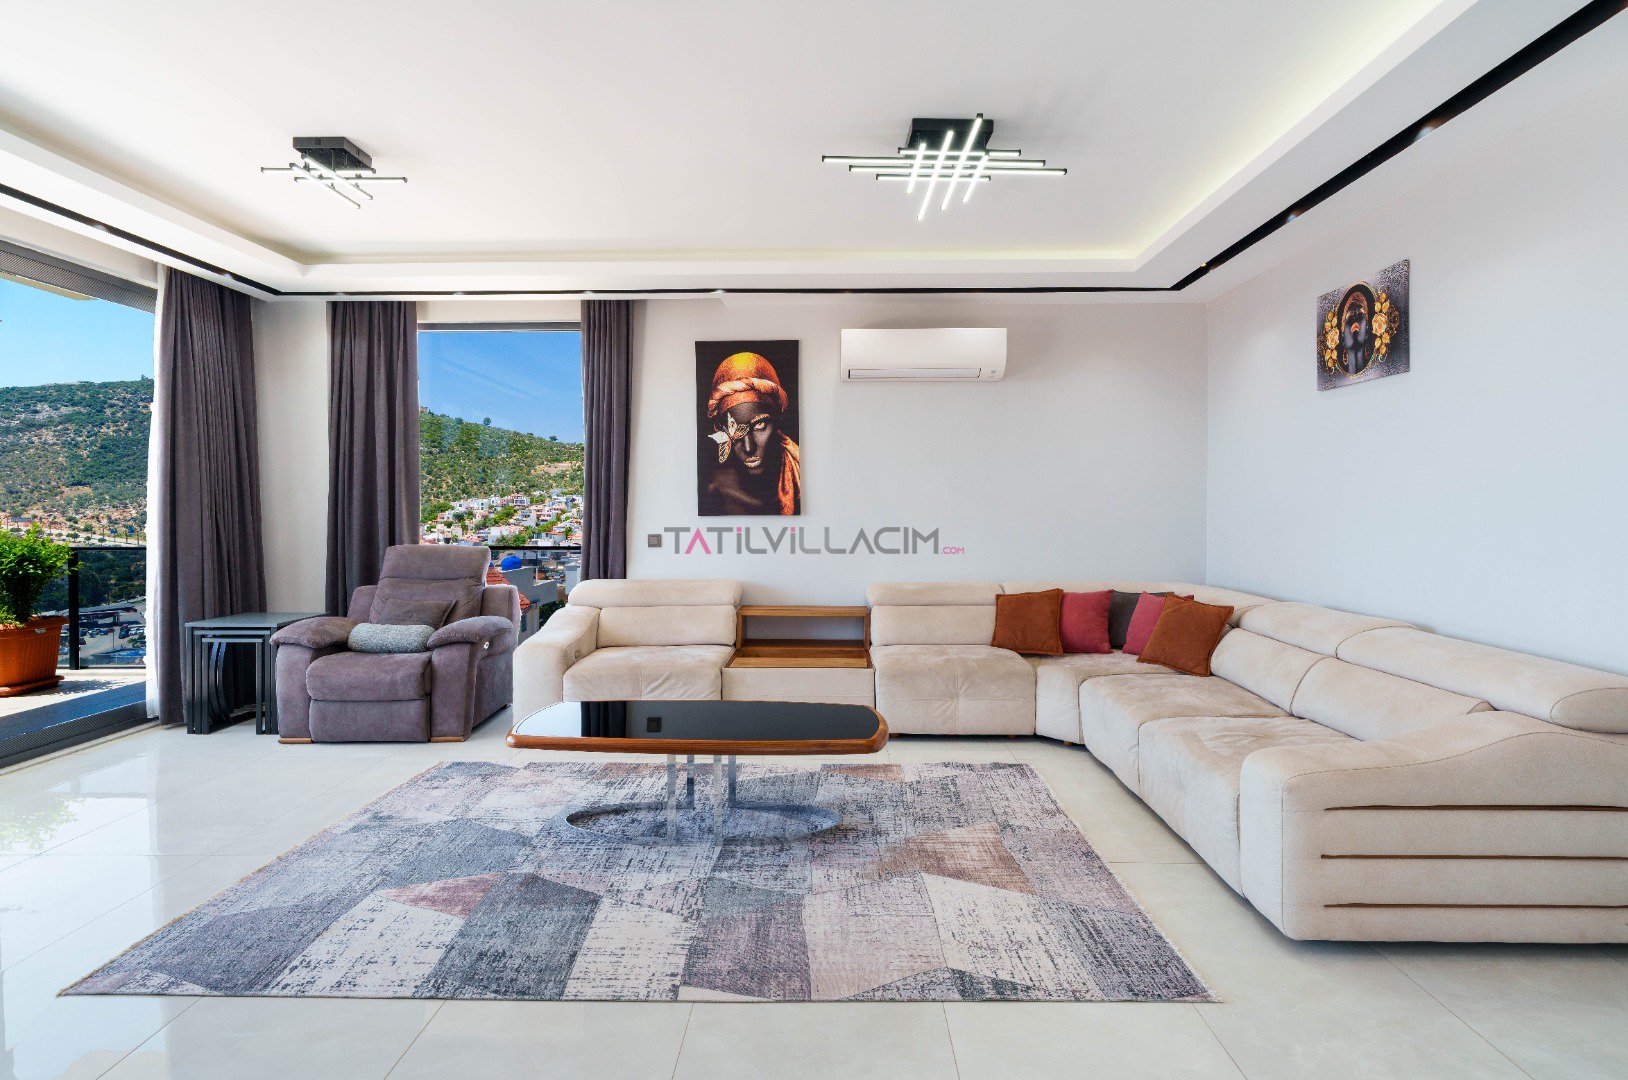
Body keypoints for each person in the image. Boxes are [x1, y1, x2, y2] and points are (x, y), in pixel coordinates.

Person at [699, 351, 801, 516]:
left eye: (759, 425)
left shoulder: (804, 477)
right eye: (734, 430)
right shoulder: (714, 493)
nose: (748, 447)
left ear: (778, 420)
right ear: (721, 429)